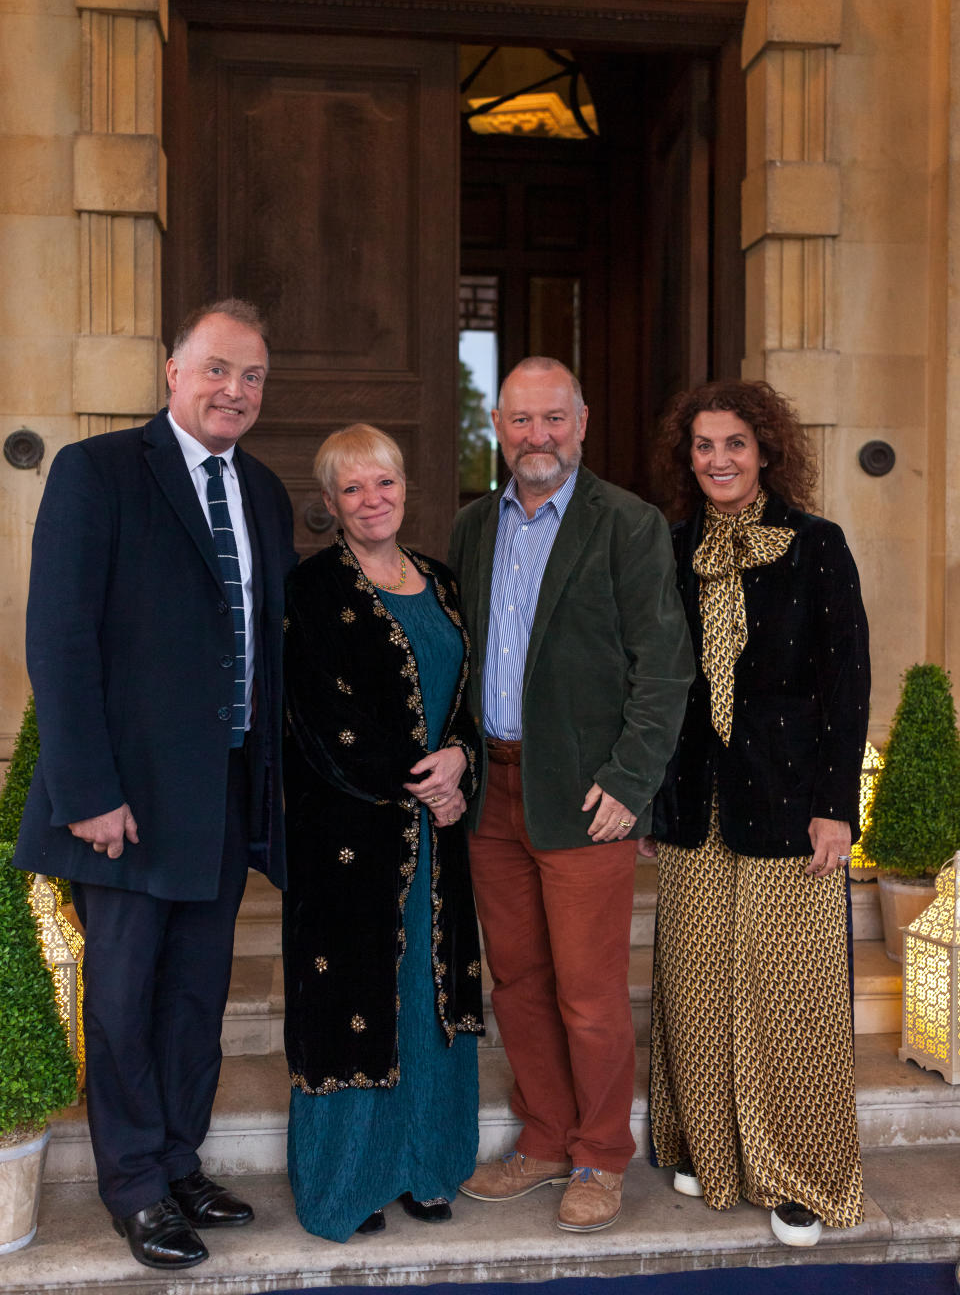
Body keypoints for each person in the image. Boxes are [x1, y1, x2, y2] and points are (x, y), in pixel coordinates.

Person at [15, 299, 296, 1270]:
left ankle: (179, 1162)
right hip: (123, 806)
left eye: (252, 375)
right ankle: (133, 1186)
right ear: (172, 371)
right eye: (217, 368)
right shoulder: (98, 473)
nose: (235, 390)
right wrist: (88, 789)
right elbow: (58, 639)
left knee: (194, 995)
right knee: (125, 999)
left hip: (220, 795)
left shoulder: (263, 491)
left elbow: (265, 645)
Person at [448, 357, 693, 1234]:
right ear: (498, 428)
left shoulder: (627, 525)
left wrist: (630, 782)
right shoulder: (475, 526)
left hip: (587, 799)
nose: (537, 437)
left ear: (581, 423)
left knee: (590, 995)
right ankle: (545, 1137)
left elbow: (664, 667)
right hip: (493, 796)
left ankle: (599, 1154)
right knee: (516, 981)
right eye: (520, 421)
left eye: (553, 420)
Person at [646, 378, 869, 1248]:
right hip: (695, 802)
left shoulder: (817, 545)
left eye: (734, 444)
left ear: (767, 450)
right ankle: (707, 1146)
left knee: (791, 995)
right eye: (703, 446)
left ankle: (800, 1177)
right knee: (697, 988)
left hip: (791, 805)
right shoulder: (670, 547)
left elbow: (847, 683)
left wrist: (835, 808)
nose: (718, 460)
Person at [282, 423, 484, 1242]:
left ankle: (427, 1167)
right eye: (353, 489)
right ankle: (351, 1182)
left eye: (385, 484)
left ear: (406, 489)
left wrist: (462, 760)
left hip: (443, 833)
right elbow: (325, 718)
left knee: (427, 995)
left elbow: (467, 697)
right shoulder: (312, 589)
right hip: (350, 834)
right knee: (358, 996)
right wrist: (425, 787)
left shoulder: (440, 581)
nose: (373, 500)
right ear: (330, 504)